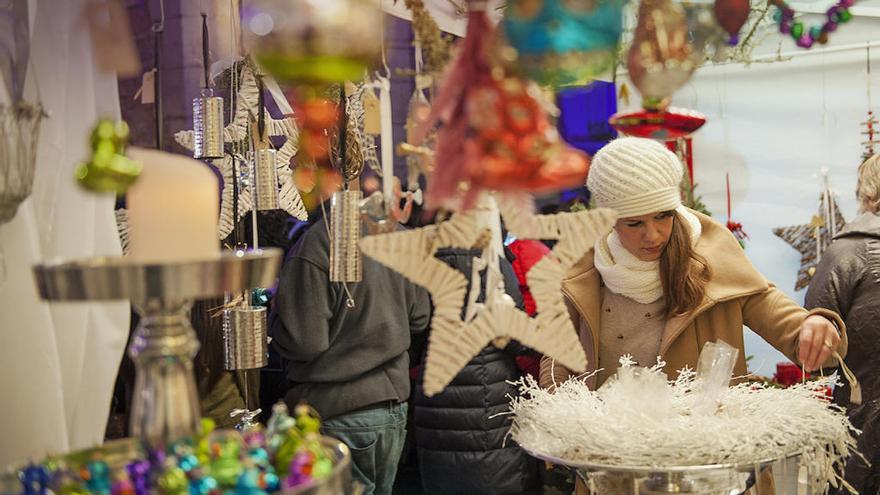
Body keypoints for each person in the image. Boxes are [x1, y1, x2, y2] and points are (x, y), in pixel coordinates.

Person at [539, 137, 847, 494]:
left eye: (663, 216)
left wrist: (814, 326)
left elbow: (770, 307)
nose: (652, 235)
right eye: (634, 223)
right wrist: (559, 424)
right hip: (615, 474)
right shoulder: (583, 269)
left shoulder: (713, 256)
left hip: (710, 472)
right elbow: (557, 358)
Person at [269, 194, 432, 495]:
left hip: (338, 411)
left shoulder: (318, 243)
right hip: (392, 411)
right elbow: (420, 317)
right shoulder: (401, 239)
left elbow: (305, 341)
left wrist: (274, 322)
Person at [412, 242, 541, 495]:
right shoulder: (492, 262)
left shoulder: (424, 255)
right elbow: (513, 336)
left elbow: (415, 328)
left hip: (435, 390)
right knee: (492, 475)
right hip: (487, 393)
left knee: (446, 475)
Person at [805, 153, 880, 495]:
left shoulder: (844, 254)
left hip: (860, 423)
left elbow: (814, 352)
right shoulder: (847, 252)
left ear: (866, 193)